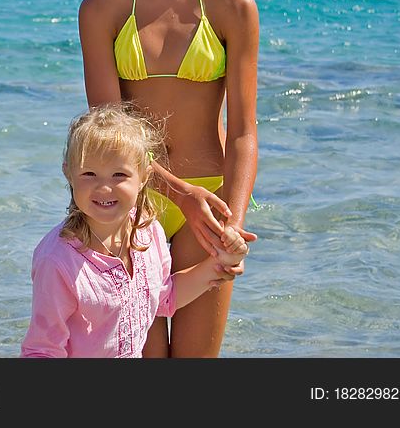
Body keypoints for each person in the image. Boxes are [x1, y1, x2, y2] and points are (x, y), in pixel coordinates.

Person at [77, 0, 260, 357]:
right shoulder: (101, 8)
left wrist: (231, 224)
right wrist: (176, 193)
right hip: (128, 203)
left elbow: (244, 130)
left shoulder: (232, 5)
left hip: (210, 204)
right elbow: (108, 134)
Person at [20, 103, 249, 358]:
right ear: (68, 173)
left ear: (144, 177)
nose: (104, 188)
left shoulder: (148, 233)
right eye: (89, 174)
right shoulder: (58, 261)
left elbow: (165, 297)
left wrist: (220, 263)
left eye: (119, 175)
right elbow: (41, 351)